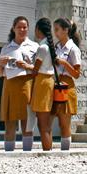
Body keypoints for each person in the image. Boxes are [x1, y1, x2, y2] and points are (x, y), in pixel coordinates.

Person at [0, 16, 37, 151]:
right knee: (10, 124)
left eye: (24, 27)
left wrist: (27, 66)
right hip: (10, 85)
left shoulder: (34, 46)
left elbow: (40, 70)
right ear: (13, 28)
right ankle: (9, 153)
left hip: (27, 84)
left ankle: (27, 153)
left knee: (27, 124)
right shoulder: (6, 48)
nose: (22, 30)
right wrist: (0, 64)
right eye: (19, 27)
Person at [52, 18, 82, 151]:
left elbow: (76, 73)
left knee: (64, 124)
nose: (55, 32)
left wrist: (64, 63)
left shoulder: (73, 49)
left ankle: (65, 151)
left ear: (65, 30)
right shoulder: (56, 47)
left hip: (66, 85)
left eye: (57, 29)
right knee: (50, 120)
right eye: (54, 29)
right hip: (54, 83)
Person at [27, 17, 57, 151]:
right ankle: (48, 149)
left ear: (38, 29)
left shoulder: (43, 47)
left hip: (42, 82)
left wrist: (25, 66)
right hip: (47, 81)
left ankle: (47, 151)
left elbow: (35, 70)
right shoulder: (49, 46)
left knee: (43, 123)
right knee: (45, 124)